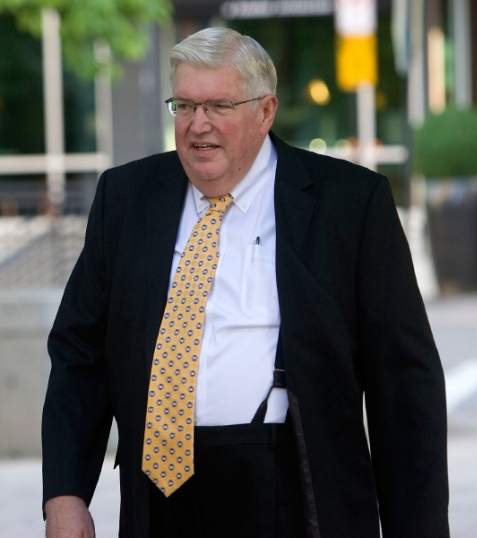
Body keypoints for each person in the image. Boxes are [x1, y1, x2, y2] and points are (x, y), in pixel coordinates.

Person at [42, 27, 449, 538]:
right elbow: (80, 355)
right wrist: (65, 494)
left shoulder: (348, 204)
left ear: (265, 111)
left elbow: (404, 382)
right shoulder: (126, 199)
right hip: (159, 497)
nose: (198, 125)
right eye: (184, 106)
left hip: (295, 488)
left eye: (218, 106)